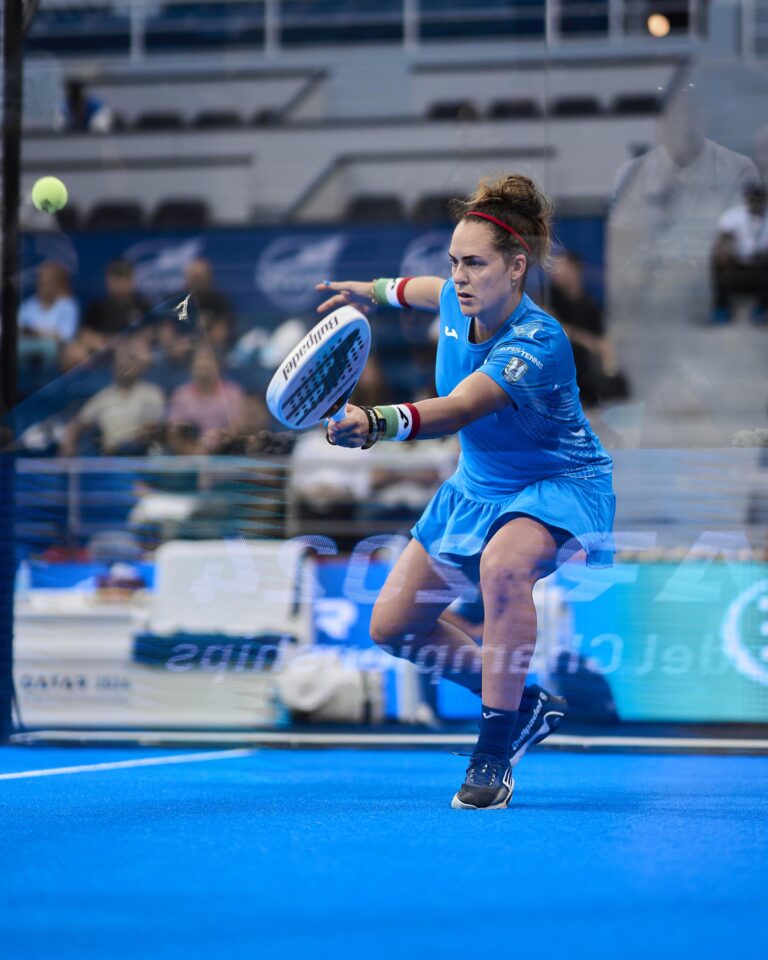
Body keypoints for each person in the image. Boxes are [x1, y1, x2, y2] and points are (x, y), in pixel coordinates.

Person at [316, 173, 615, 810]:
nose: (458, 277)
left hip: (557, 482)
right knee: (393, 627)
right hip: (478, 486)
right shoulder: (459, 300)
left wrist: (375, 421)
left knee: (504, 568)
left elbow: (458, 409)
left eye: (474, 264)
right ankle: (523, 703)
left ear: (516, 267)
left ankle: (492, 754)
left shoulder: (539, 341)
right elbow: (421, 290)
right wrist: (370, 291)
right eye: (454, 261)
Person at [59, 337, 165, 456]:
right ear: (114, 366)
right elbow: (77, 424)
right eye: (121, 362)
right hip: (110, 459)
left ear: (138, 366)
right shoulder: (104, 397)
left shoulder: (152, 393)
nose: (125, 365)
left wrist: (120, 446)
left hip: (140, 457)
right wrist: (69, 443)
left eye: (130, 361)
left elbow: (151, 428)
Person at [548, 251, 629, 406]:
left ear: (575, 269)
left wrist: (609, 370)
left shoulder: (589, 305)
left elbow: (601, 341)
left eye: (560, 266)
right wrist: (584, 339)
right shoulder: (548, 297)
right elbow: (552, 327)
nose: (554, 272)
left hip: (579, 370)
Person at [167, 345, 247, 452]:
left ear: (218, 366)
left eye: (208, 360)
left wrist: (214, 447)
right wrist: (192, 450)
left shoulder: (233, 393)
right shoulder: (181, 394)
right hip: (188, 454)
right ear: (192, 367)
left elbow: (239, 428)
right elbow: (174, 432)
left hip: (224, 453)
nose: (204, 364)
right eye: (199, 361)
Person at [711, 182, 768, 324]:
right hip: (737, 261)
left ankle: (763, 308)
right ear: (747, 199)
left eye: (760, 199)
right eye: (753, 199)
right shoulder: (734, 215)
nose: (756, 203)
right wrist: (724, 249)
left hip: (762, 262)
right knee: (717, 256)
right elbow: (723, 238)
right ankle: (721, 307)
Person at [81, 260, 149, 349]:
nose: (120, 283)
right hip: (103, 348)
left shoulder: (143, 305)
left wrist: (129, 341)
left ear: (131, 280)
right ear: (107, 281)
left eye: (124, 277)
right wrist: (100, 341)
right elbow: (85, 332)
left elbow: (152, 331)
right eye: (116, 278)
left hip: (133, 348)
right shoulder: (97, 306)